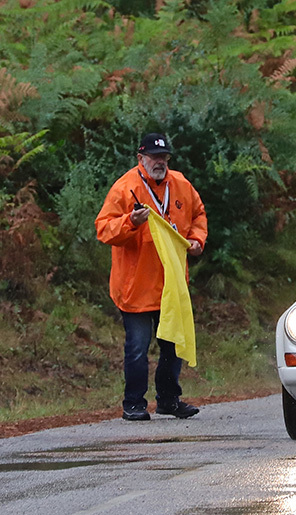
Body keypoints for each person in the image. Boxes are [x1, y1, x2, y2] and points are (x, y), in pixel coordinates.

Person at [96, 133, 208, 421]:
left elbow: (198, 215)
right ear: (140, 158)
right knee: (137, 347)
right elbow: (103, 230)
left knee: (173, 344)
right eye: (154, 157)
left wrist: (196, 240)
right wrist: (129, 222)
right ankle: (133, 403)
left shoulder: (181, 184)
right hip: (135, 287)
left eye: (164, 157)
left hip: (171, 284)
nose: (160, 162)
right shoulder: (125, 188)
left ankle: (169, 401)